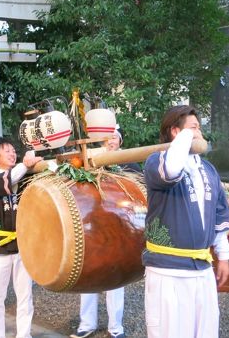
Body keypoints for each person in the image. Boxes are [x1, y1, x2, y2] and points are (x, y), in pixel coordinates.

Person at [143, 105, 229, 338]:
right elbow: (172, 170)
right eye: (194, 128)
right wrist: (185, 138)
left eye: (199, 128)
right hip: (167, 270)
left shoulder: (209, 170)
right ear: (175, 131)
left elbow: (220, 214)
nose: (199, 133)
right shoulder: (155, 162)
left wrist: (223, 256)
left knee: (205, 332)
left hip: (202, 268)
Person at [70, 128, 137, 338]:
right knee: (89, 274)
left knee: (116, 278)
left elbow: (137, 195)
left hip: (119, 228)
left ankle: (116, 328)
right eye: (107, 138)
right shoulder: (91, 160)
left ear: (120, 141)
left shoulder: (130, 163)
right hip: (94, 227)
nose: (111, 141)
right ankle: (86, 324)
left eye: (115, 137)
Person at [0, 136, 42, 338]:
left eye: (14, 150)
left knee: (25, 296)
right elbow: (8, 179)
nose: (12, 153)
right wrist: (25, 163)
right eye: (7, 151)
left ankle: (24, 335)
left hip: (22, 245)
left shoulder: (24, 177)